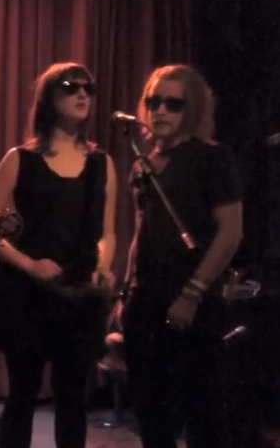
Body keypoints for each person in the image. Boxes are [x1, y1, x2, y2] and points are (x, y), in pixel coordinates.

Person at [0, 62, 118, 448]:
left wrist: (103, 266)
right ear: (48, 99)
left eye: (88, 88)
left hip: (77, 294)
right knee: (22, 394)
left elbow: (106, 232)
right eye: (71, 87)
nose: (82, 94)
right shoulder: (20, 159)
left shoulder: (101, 163)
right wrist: (30, 265)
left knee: (73, 398)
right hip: (24, 293)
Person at [121, 64, 242, 448]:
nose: (160, 111)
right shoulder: (143, 164)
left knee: (201, 412)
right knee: (151, 415)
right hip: (145, 300)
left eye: (173, 104)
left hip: (193, 301)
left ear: (193, 109)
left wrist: (192, 294)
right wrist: (126, 292)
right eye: (154, 101)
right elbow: (141, 233)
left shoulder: (211, 157)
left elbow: (231, 232)